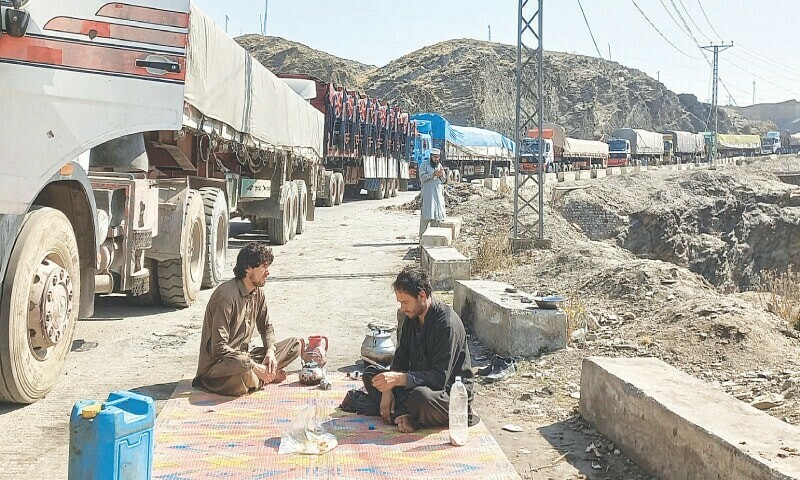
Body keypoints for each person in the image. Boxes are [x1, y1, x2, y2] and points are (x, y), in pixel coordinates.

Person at [360, 266, 478, 433]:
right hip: (416, 386)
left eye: (405, 302)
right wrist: (388, 389)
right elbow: (400, 359)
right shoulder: (411, 317)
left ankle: (411, 418)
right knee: (372, 375)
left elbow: (439, 379)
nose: (402, 308)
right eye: (400, 303)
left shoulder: (447, 325)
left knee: (420, 398)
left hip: (446, 395)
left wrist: (401, 379)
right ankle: (403, 413)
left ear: (422, 295)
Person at [193, 242, 300, 397]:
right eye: (263, 267)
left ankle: (258, 377)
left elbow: (266, 327)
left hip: (246, 359)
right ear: (248, 268)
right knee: (242, 367)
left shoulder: (258, 293)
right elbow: (218, 349)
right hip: (220, 366)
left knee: (294, 345)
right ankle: (263, 377)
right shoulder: (226, 296)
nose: (267, 273)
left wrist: (270, 351)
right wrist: (254, 366)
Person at [419, 147, 448, 237]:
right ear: (431, 156)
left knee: (436, 216)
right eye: (435, 157)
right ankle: (422, 239)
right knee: (426, 216)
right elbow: (422, 177)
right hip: (428, 194)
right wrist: (433, 174)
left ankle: (432, 237)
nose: (436, 159)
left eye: (438, 157)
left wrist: (441, 175)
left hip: (438, 194)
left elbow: (444, 180)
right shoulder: (424, 165)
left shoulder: (439, 166)